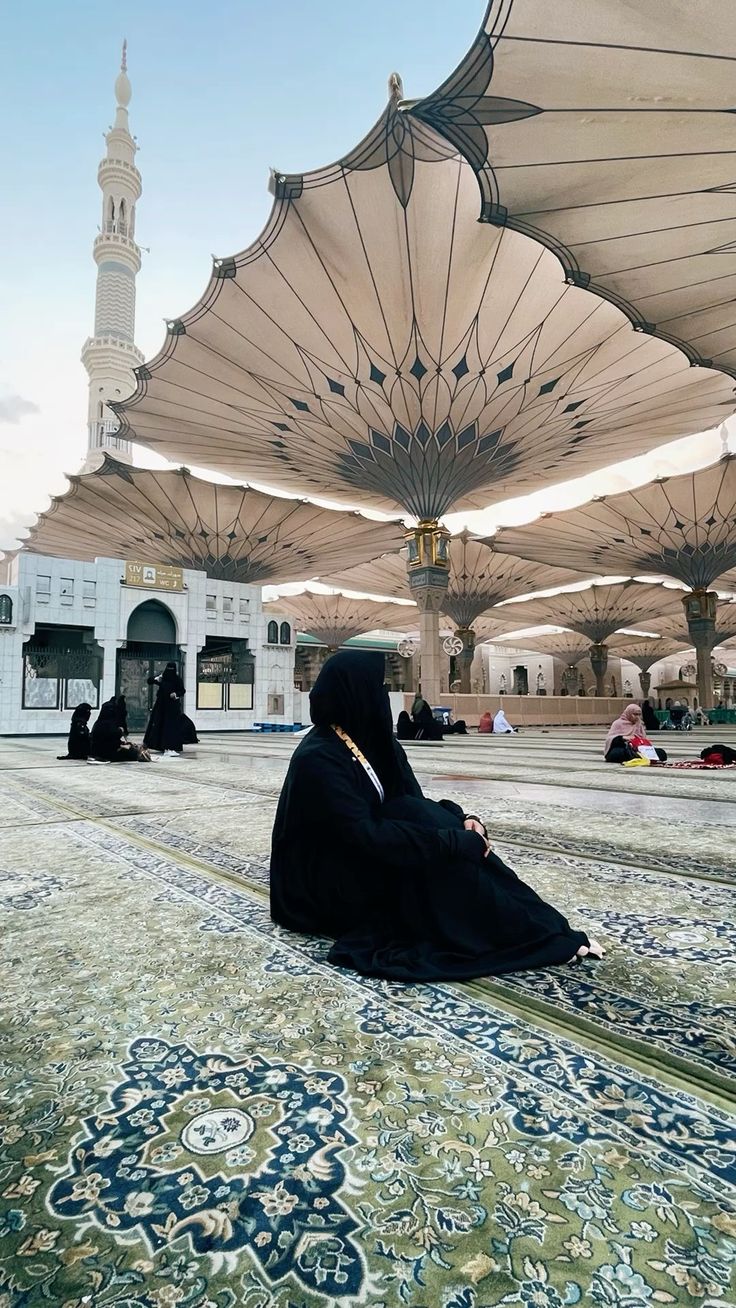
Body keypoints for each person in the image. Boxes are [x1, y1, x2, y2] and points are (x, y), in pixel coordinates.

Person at [270, 651, 602, 980]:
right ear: (355, 693)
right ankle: (525, 933)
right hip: (323, 881)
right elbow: (365, 834)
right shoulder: (319, 758)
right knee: (437, 857)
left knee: (434, 827)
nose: (382, 697)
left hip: (368, 851)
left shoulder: (375, 742)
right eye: (377, 688)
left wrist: (463, 822)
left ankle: (542, 926)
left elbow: (414, 804)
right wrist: (453, 842)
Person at [143, 662, 198, 755]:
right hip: (161, 705)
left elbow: (182, 690)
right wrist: (156, 679)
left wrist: (176, 694)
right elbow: (149, 681)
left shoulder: (177, 679)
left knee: (170, 727)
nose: (170, 671)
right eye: (168, 668)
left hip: (172, 707)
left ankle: (170, 746)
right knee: (158, 724)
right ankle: (156, 744)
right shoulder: (162, 677)